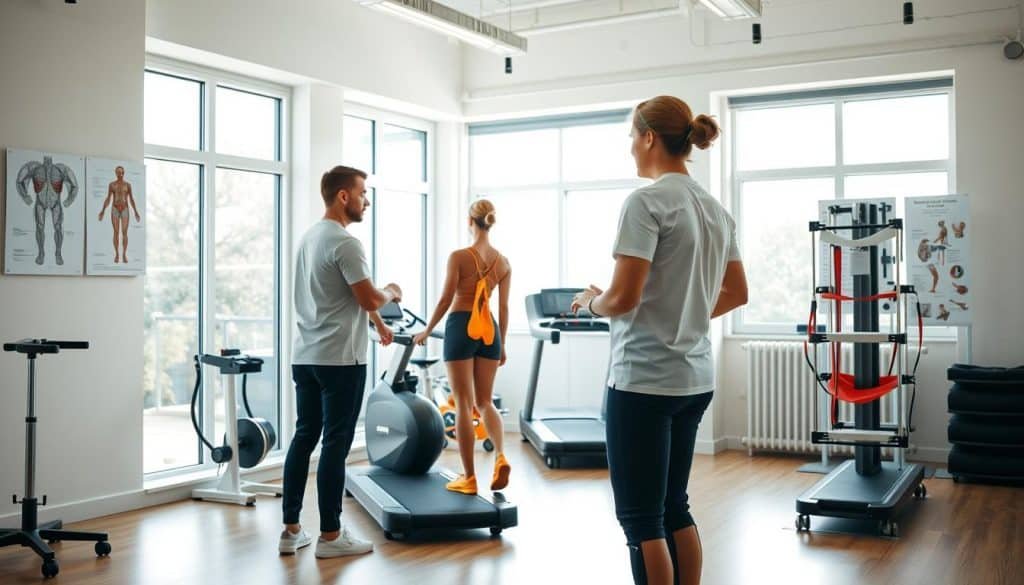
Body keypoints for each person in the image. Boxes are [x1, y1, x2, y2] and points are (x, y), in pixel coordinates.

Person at [571, 96, 747, 585]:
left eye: (632, 135)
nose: (630, 146)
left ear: (649, 137)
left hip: (643, 382)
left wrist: (589, 302)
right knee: (674, 506)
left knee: (641, 519)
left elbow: (623, 298)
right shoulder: (715, 210)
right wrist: (684, 313)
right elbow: (737, 292)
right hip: (694, 380)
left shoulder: (646, 202)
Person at [279, 165, 403, 558]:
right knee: (336, 443)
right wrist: (391, 293)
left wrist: (378, 323)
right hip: (341, 361)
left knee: (304, 437)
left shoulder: (309, 238)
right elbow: (367, 296)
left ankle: (291, 529)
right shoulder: (346, 242)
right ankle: (331, 536)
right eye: (363, 193)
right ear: (344, 196)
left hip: (307, 357)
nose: (367, 200)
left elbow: (344, 295)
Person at [412, 199, 512, 496]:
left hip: (461, 325)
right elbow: (504, 309)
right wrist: (502, 344)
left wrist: (427, 330)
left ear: (471, 221)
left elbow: (445, 299)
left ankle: (469, 478)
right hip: (489, 330)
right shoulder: (503, 262)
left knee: (463, 404)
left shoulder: (459, 256)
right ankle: (501, 456)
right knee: (485, 402)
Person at [98, 166, 141, 263]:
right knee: (116, 232)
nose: (120, 174)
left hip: (125, 208)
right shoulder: (112, 185)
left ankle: (124, 254)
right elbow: (108, 198)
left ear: (124, 173)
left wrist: (136, 212)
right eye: (118, 172)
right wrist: (103, 210)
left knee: (124, 232)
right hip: (115, 208)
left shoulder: (128, 185)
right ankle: (117, 254)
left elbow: (131, 199)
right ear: (115, 173)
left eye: (121, 172)